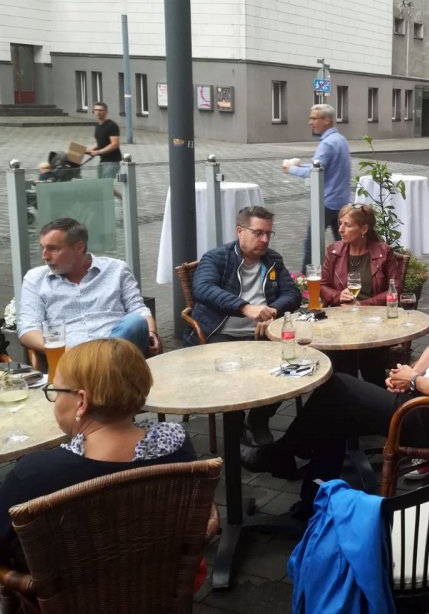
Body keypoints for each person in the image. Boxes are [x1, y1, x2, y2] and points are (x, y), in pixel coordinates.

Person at [240, 247, 429, 514]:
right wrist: (409, 372)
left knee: (337, 387)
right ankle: (311, 499)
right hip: (423, 401)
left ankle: (283, 454)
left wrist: (412, 380)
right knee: (335, 410)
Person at [0, 339, 196, 568]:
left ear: (82, 401)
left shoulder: (34, 475)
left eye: (55, 391)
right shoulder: (177, 444)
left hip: (66, 589)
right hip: (162, 579)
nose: (54, 402)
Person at [188, 205, 302, 444]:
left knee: (294, 363)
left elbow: (292, 294)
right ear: (240, 231)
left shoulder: (272, 260)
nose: (265, 240)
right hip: (221, 332)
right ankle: (235, 425)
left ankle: (259, 419)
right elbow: (203, 289)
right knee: (234, 371)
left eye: (268, 233)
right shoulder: (217, 258)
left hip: (262, 333)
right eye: (258, 233)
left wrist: (273, 311)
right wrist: (245, 308)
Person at [18, 217, 158, 356]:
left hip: (116, 348)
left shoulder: (116, 269)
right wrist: (64, 350)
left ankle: (103, 362)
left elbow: (138, 309)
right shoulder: (35, 279)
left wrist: (151, 333)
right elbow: (28, 329)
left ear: (79, 247)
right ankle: (103, 363)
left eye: (53, 249)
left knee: (135, 321)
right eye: (43, 248)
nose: (45, 256)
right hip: (72, 358)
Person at [319, 203, 403, 385]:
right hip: (341, 320)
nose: (340, 229)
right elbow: (322, 285)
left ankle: (372, 393)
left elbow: (395, 289)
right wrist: (337, 296)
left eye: (347, 225)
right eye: (340, 224)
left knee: (368, 355)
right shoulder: (334, 250)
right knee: (343, 357)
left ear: (364, 229)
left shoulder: (383, 252)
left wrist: (362, 305)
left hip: (374, 320)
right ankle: (347, 390)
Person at [283, 104, 351, 271]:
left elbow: (315, 171)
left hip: (326, 203)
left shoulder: (326, 144)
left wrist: (290, 169)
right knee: (346, 246)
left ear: (326, 120)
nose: (310, 122)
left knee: (312, 248)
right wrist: (301, 165)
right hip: (341, 202)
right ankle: (348, 276)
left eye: (314, 118)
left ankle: (306, 282)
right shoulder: (340, 139)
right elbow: (322, 166)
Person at [84, 101, 122, 179]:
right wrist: (88, 149)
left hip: (112, 162)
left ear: (106, 112)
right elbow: (100, 141)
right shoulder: (98, 125)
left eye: (100, 110)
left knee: (106, 184)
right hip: (103, 161)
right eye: (95, 110)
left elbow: (115, 144)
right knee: (102, 184)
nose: (98, 112)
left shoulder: (111, 125)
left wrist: (98, 152)